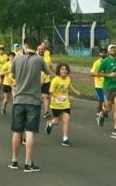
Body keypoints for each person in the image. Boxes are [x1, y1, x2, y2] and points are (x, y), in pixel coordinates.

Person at [8, 35, 51, 172]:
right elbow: (48, 72)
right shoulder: (39, 60)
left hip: (19, 99)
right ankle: (28, 163)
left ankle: (14, 160)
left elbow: (12, 75)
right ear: (37, 46)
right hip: (33, 100)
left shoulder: (17, 58)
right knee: (30, 132)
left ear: (25, 45)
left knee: (17, 131)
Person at [45, 63, 80, 147]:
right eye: (62, 69)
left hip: (65, 104)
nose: (64, 71)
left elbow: (69, 87)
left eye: (66, 69)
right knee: (56, 121)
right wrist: (58, 98)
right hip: (56, 105)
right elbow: (51, 91)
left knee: (66, 119)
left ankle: (65, 139)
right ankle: (50, 124)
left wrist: (75, 91)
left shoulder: (68, 79)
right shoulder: (55, 80)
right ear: (59, 71)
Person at [96, 44, 116, 136]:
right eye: (111, 48)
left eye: (114, 48)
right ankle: (102, 114)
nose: (113, 49)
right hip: (108, 87)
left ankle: (115, 128)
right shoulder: (105, 61)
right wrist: (108, 75)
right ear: (108, 51)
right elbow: (98, 73)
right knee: (108, 108)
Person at [37, 43, 54, 119]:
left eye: (42, 49)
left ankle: (46, 112)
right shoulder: (35, 57)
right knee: (37, 97)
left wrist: (56, 73)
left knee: (46, 96)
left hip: (46, 79)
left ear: (44, 50)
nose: (41, 50)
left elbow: (50, 66)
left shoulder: (47, 56)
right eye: (39, 49)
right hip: (36, 80)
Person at [90, 47, 107, 118]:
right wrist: (100, 74)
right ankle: (98, 113)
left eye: (104, 52)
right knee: (100, 100)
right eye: (101, 52)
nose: (103, 53)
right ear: (99, 53)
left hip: (107, 85)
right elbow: (92, 74)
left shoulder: (108, 62)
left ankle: (104, 112)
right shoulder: (97, 63)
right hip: (99, 85)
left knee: (106, 101)